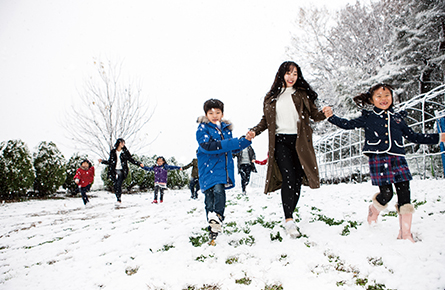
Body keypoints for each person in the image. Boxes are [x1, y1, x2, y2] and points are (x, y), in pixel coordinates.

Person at [323, 83, 445, 243]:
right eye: (379, 96)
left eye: (387, 95)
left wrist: (438, 137)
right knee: (387, 194)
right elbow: (348, 124)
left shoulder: (398, 118)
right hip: (379, 159)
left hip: (398, 158)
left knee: (405, 195)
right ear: (372, 100)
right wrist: (331, 117)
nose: (383, 99)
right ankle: (373, 211)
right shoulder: (368, 117)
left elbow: (413, 137)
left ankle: (405, 234)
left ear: (392, 98)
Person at [247, 61, 326, 238]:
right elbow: (266, 121)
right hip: (281, 142)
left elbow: (315, 115)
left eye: (295, 74)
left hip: (300, 142)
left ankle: (290, 213)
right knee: (288, 176)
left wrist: (325, 113)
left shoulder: (302, 94)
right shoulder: (271, 97)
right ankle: (289, 219)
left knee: (297, 179)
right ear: (281, 74)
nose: (291, 77)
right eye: (288, 73)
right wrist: (254, 131)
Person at [196, 98, 253, 243]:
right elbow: (208, 146)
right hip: (207, 168)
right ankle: (212, 229)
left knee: (218, 190)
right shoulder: (202, 129)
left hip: (221, 169)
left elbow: (231, 147)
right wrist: (231, 143)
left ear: (222, 114)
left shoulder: (226, 130)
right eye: (211, 113)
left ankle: (219, 216)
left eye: (217, 112)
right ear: (206, 114)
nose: (214, 115)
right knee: (209, 200)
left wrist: (245, 140)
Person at [99, 138, 144, 205]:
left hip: (122, 170)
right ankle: (118, 197)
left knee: (119, 184)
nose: (123, 144)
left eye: (124, 143)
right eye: (122, 143)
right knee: (115, 185)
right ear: (118, 143)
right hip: (114, 170)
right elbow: (110, 161)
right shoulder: (113, 151)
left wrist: (139, 163)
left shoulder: (125, 152)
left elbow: (131, 159)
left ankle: (119, 199)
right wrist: (103, 161)